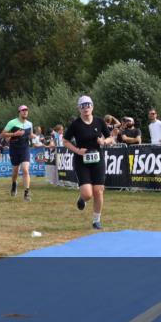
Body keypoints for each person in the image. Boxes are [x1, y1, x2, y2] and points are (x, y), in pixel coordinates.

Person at [64, 95, 112, 229]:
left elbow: (110, 138)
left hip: (98, 159)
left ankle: (96, 220)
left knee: (99, 190)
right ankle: (82, 199)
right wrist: (77, 150)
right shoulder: (75, 124)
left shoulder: (99, 121)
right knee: (87, 194)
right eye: (83, 106)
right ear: (79, 109)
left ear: (92, 106)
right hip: (82, 161)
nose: (86, 108)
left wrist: (103, 141)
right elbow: (65, 141)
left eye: (88, 105)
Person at [1, 105, 33, 201]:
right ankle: (14, 184)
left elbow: (30, 134)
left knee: (25, 169)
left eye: (26, 110)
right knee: (15, 171)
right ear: (19, 112)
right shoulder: (12, 122)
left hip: (25, 148)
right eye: (23, 110)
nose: (25, 112)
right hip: (14, 148)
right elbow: (3, 133)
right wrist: (15, 134)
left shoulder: (29, 124)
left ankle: (26, 193)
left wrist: (34, 136)